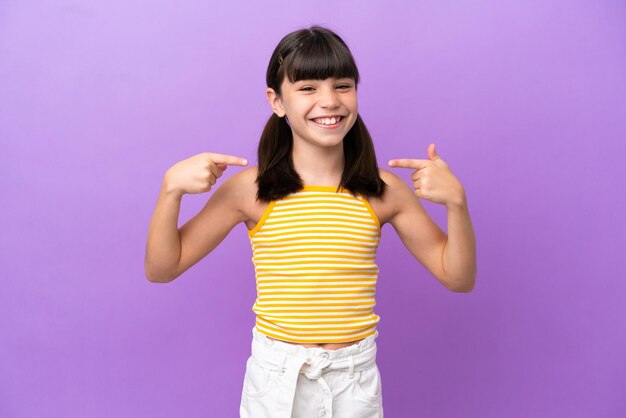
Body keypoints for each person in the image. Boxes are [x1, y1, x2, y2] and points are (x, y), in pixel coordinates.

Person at [145, 25, 476, 418]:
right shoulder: (249, 190)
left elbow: (458, 278)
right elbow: (163, 269)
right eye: (307, 88)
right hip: (277, 379)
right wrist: (171, 191)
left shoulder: (383, 190)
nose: (329, 101)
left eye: (342, 85)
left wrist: (457, 203)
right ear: (276, 100)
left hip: (354, 379)